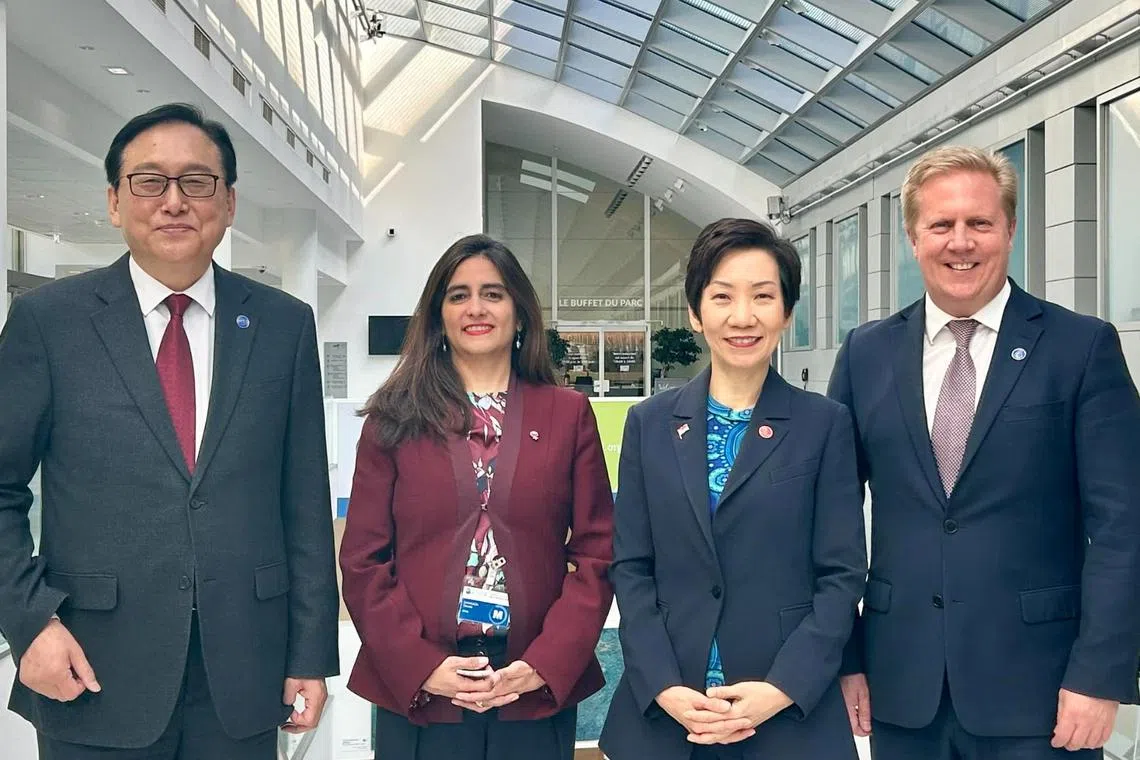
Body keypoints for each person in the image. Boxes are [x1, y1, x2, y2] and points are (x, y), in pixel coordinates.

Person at [0, 103, 340, 758]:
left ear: (230, 203)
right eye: (150, 181)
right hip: (90, 667)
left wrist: (310, 652)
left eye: (198, 181)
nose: (174, 201)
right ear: (114, 202)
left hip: (244, 672)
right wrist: (30, 623)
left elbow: (302, 504)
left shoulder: (282, 325)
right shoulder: (50, 323)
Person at [829, 145, 1140, 760]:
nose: (960, 242)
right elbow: (830, 519)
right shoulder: (865, 354)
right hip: (902, 687)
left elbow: (1123, 526)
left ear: (1010, 230)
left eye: (979, 223)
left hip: (1045, 694)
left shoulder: (1081, 348)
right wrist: (846, 657)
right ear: (914, 238)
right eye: (941, 225)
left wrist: (1098, 675)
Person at [339, 234, 614, 760]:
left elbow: (597, 552)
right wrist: (421, 666)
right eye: (458, 295)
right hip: (423, 692)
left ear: (519, 312)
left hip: (530, 685)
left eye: (493, 293)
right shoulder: (394, 417)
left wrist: (547, 662)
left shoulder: (567, 414)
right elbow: (363, 559)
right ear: (437, 315)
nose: (476, 308)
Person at [600, 218, 867, 760]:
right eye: (722, 296)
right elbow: (631, 567)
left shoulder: (824, 424)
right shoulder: (649, 423)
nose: (743, 317)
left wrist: (782, 688)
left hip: (786, 717)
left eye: (763, 296)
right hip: (669, 717)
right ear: (696, 313)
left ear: (786, 313)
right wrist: (665, 687)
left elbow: (840, 576)